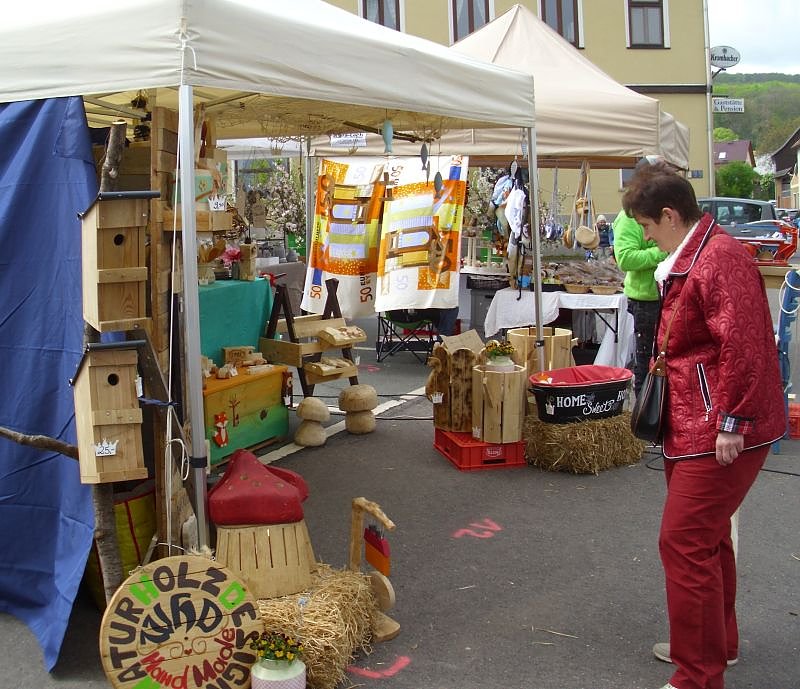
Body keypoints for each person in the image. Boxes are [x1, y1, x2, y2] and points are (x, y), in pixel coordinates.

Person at [621, 162, 786, 689]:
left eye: (647, 226)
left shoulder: (718, 259)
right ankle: (716, 646)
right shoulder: (706, 251)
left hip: (716, 423)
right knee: (705, 540)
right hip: (699, 420)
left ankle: (698, 675)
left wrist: (733, 419)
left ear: (669, 216)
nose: (645, 235)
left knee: (685, 541)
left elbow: (746, 343)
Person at [612, 208, 667, 398]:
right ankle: (644, 414)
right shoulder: (628, 216)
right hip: (646, 301)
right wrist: (662, 251)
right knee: (646, 360)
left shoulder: (664, 210)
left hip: (669, 296)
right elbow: (626, 259)